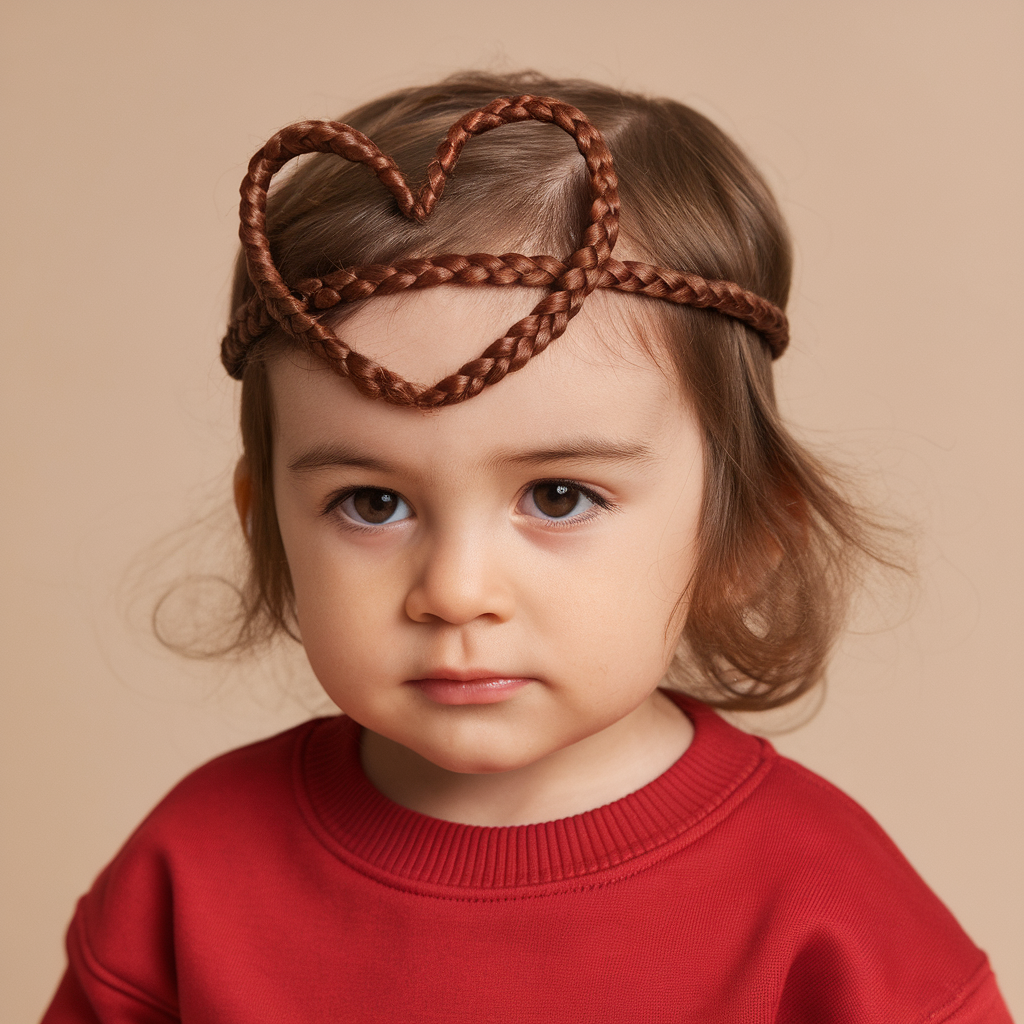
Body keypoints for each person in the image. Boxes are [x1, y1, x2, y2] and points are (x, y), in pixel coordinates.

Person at [40, 72, 1013, 1022]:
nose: (456, 593)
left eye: (557, 495)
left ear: (743, 529)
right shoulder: (191, 872)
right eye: (371, 502)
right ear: (270, 528)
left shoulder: (824, 905)